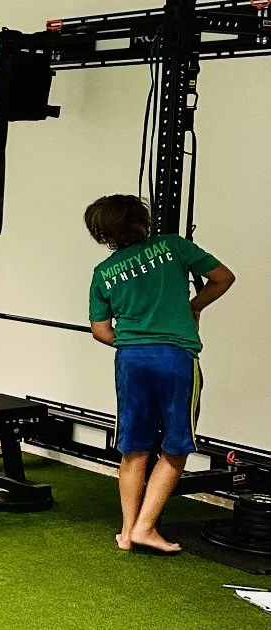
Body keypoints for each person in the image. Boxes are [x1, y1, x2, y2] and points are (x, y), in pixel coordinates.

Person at [85, 194, 235, 554]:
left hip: (131, 362)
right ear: (142, 220)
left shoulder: (103, 273)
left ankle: (126, 532)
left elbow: (101, 330)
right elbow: (223, 278)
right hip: (176, 359)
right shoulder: (173, 246)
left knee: (134, 447)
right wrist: (193, 306)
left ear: (102, 233)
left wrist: (137, 341)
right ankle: (146, 528)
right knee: (176, 445)